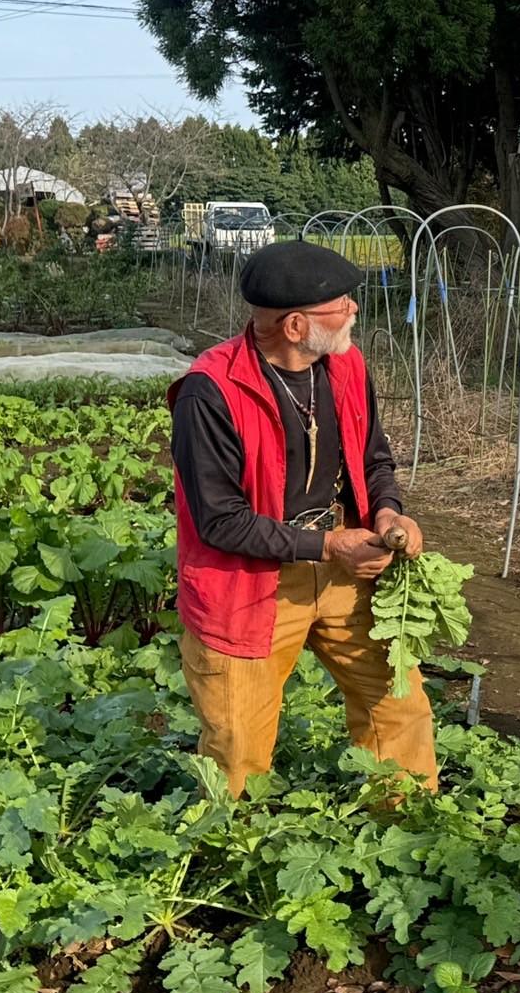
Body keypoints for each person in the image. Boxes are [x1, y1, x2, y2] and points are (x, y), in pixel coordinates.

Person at [169, 241, 437, 797]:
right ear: (295, 325)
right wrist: (330, 546)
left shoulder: (344, 365)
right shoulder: (210, 392)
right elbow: (220, 522)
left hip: (344, 570)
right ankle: (238, 869)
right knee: (237, 752)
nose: (353, 311)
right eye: (340, 303)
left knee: (398, 709)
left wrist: (390, 511)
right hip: (247, 586)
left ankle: (410, 839)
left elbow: (374, 456)